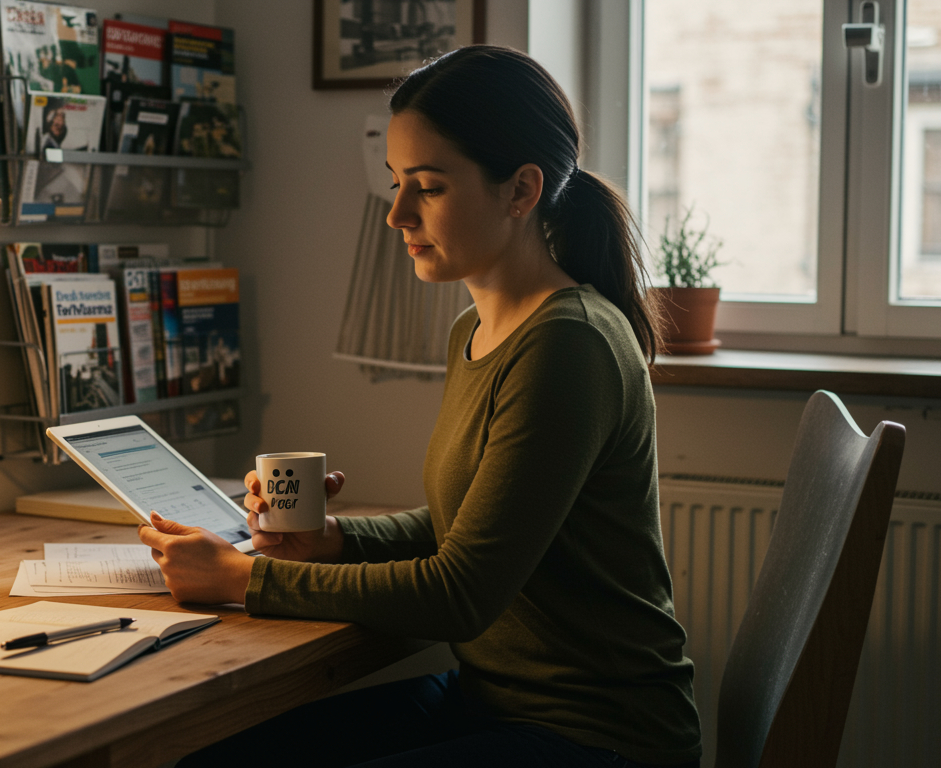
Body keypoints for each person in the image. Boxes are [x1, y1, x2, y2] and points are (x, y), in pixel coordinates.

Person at [138, 45, 701, 767]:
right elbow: (462, 531)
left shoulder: (570, 345)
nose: (396, 212)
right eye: (396, 181)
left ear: (520, 191)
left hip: (597, 735)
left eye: (428, 187)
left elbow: (461, 594)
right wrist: (332, 540)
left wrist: (246, 578)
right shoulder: (480, 328)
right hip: (494, 700)